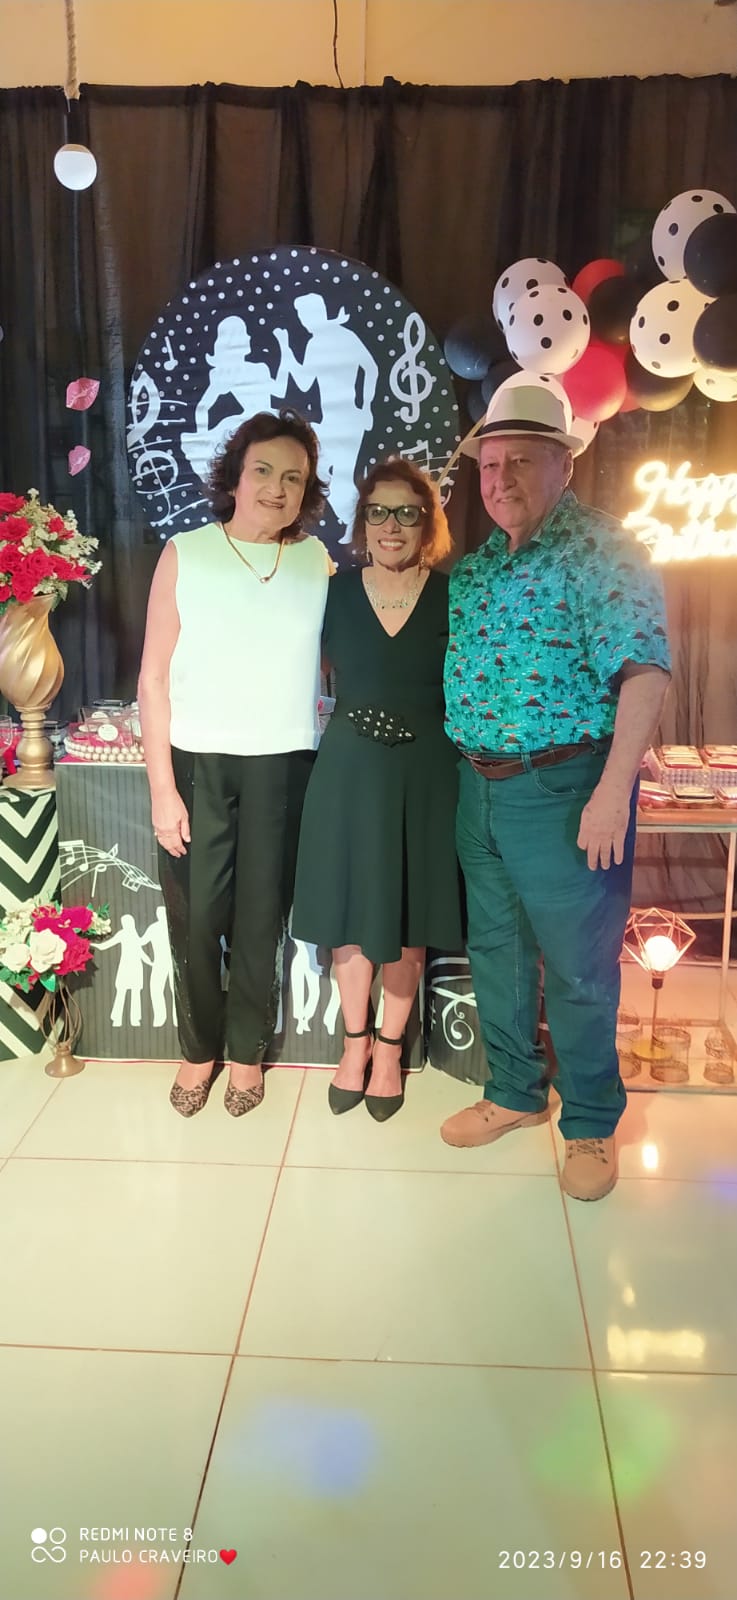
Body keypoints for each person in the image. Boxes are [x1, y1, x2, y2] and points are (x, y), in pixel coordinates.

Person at [439, 379, 671, 1200]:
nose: (499, 478)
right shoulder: (474, 571)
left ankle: (590, 1122)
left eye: (520, 461)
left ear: (563, 465)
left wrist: (611, 793)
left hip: (566, 789)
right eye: (488, 464)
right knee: (497, 951)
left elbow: (644, 673)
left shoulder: (602, 549)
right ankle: (512, 1091)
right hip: (478, 789)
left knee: (578, 966)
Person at [138, 409, 331, 1118]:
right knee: (196, 919)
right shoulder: (186, 552)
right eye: (263, 471)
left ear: (307, 490)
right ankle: (199, 1049)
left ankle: (247, 1052)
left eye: (293, 478)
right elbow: (152, 677)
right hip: (197, 764)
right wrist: (163, 789)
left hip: (284, 766)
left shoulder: (315, 561)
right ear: (235, 475)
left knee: (261, 919)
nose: (276, 489)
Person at [292, 458, 463, 1120]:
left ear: (427, 523)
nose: (392, 526)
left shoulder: (453, 594)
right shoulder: (330, 593)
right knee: (349, 916)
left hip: (426, 775)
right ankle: (354, 1044)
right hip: (349, 772)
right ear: (362, 522)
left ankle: (390, 1051)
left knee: (407, 913)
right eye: (379, 512)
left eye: (407, 513)